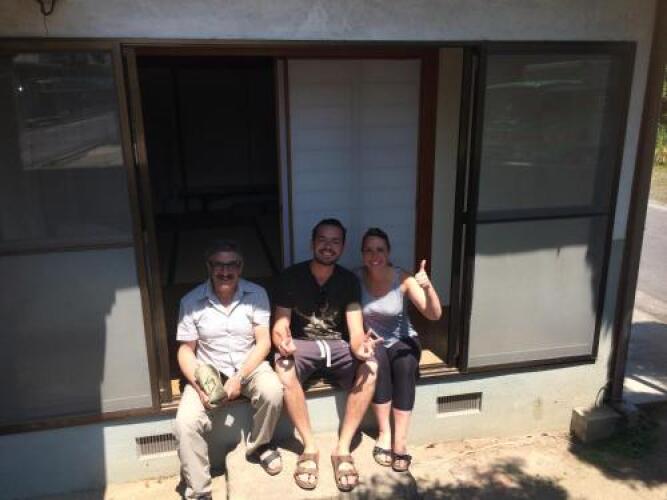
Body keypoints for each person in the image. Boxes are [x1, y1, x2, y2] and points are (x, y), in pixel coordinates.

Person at [272, 218, 380, 492]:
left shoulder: (348, 280)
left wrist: (361, 347)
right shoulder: (291, 276)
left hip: (337, 344)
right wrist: (282, 341)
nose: (328, 246)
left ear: (342, 247)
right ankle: (309, 447)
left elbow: (355, 330)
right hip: (302, 344)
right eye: (322, 240)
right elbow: (280, 323)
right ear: (312, 243)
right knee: (283, 367)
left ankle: (342, 449)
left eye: (335, 241)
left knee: (371, 367)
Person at [174, 240, 284, 500]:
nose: (225, 271)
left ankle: (260, 445)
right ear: (209, 267)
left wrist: (239, 377)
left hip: (248, 365)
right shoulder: (191, 301)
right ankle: (199, 491)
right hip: (209, 371)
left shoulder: (257, 294)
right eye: (218, 265)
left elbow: (264, 342)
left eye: (232, 264)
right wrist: (201, 385)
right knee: (184, 422)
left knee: (273, 390)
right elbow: (186, 350)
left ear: (240, 266)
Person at [357, 227, 442, 472]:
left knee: (405, 366)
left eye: (380, 249)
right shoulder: (356, 277)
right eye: (369, 250)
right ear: (362, 254)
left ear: (388, 252)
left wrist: (427, 287)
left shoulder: (402, 278)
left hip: (403, 339)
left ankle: (400, 441)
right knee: (377, 363)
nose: (375, 255)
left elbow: (434, 314)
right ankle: (384, 433)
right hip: (373, 342)